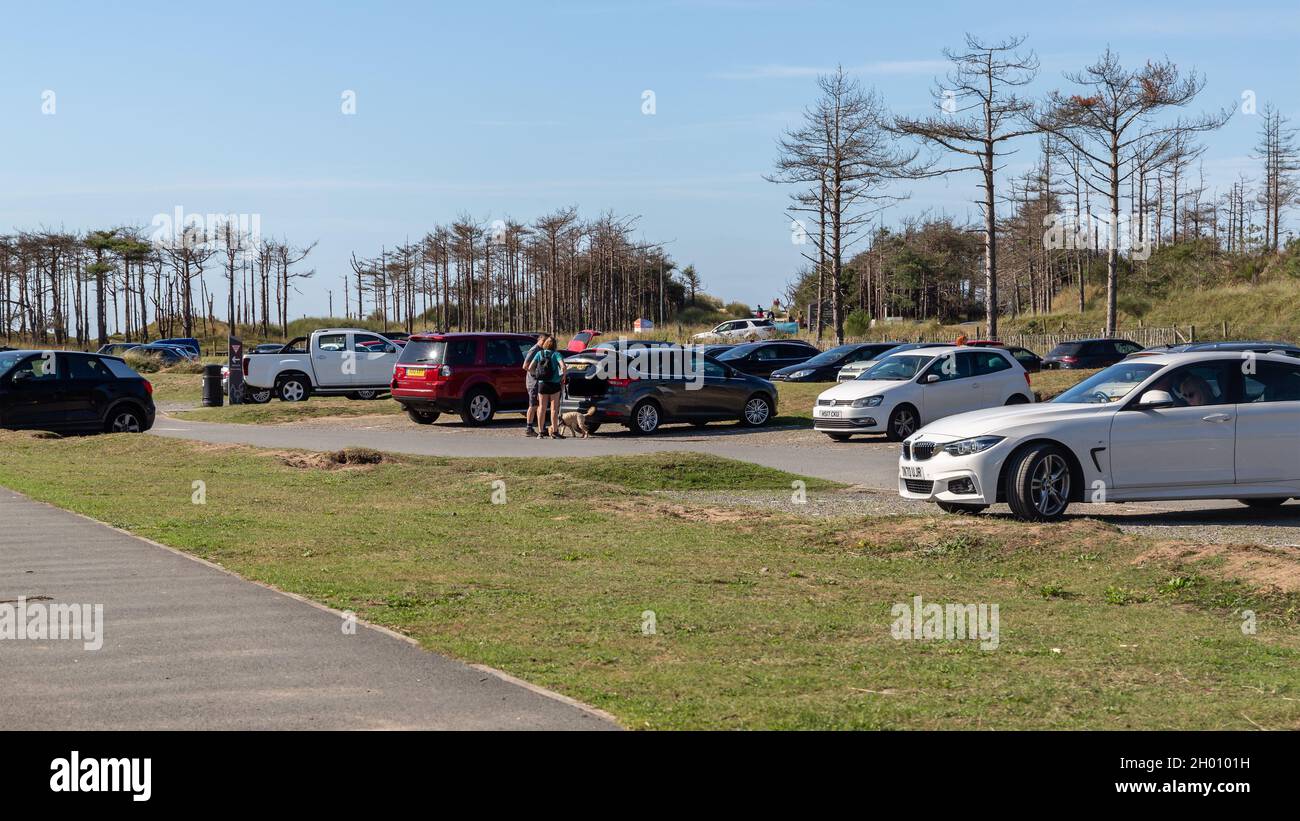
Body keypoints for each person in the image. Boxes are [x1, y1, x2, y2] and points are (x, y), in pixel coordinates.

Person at [534, 335, 564, 438]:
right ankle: (555, 432)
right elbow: (563, 367)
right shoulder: (556, 354)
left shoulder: (539, 353)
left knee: (541, 408)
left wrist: (536, 376)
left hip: (542, 384)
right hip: (554, 384)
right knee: (554, 409)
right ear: (555, 345)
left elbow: (529, 367)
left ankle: (540, 432)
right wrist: (562, 378)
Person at [521, 334, 547, 436]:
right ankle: (529, 428)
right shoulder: (534, 350)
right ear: (539, 340)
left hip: (539, 382)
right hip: (533, 382)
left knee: (540, 405)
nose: (545, 343)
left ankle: (542, 427)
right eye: (543, 340)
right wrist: (537, 374)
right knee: (533, 405)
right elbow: (525, 366)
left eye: (546, 341)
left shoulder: (542, 351)